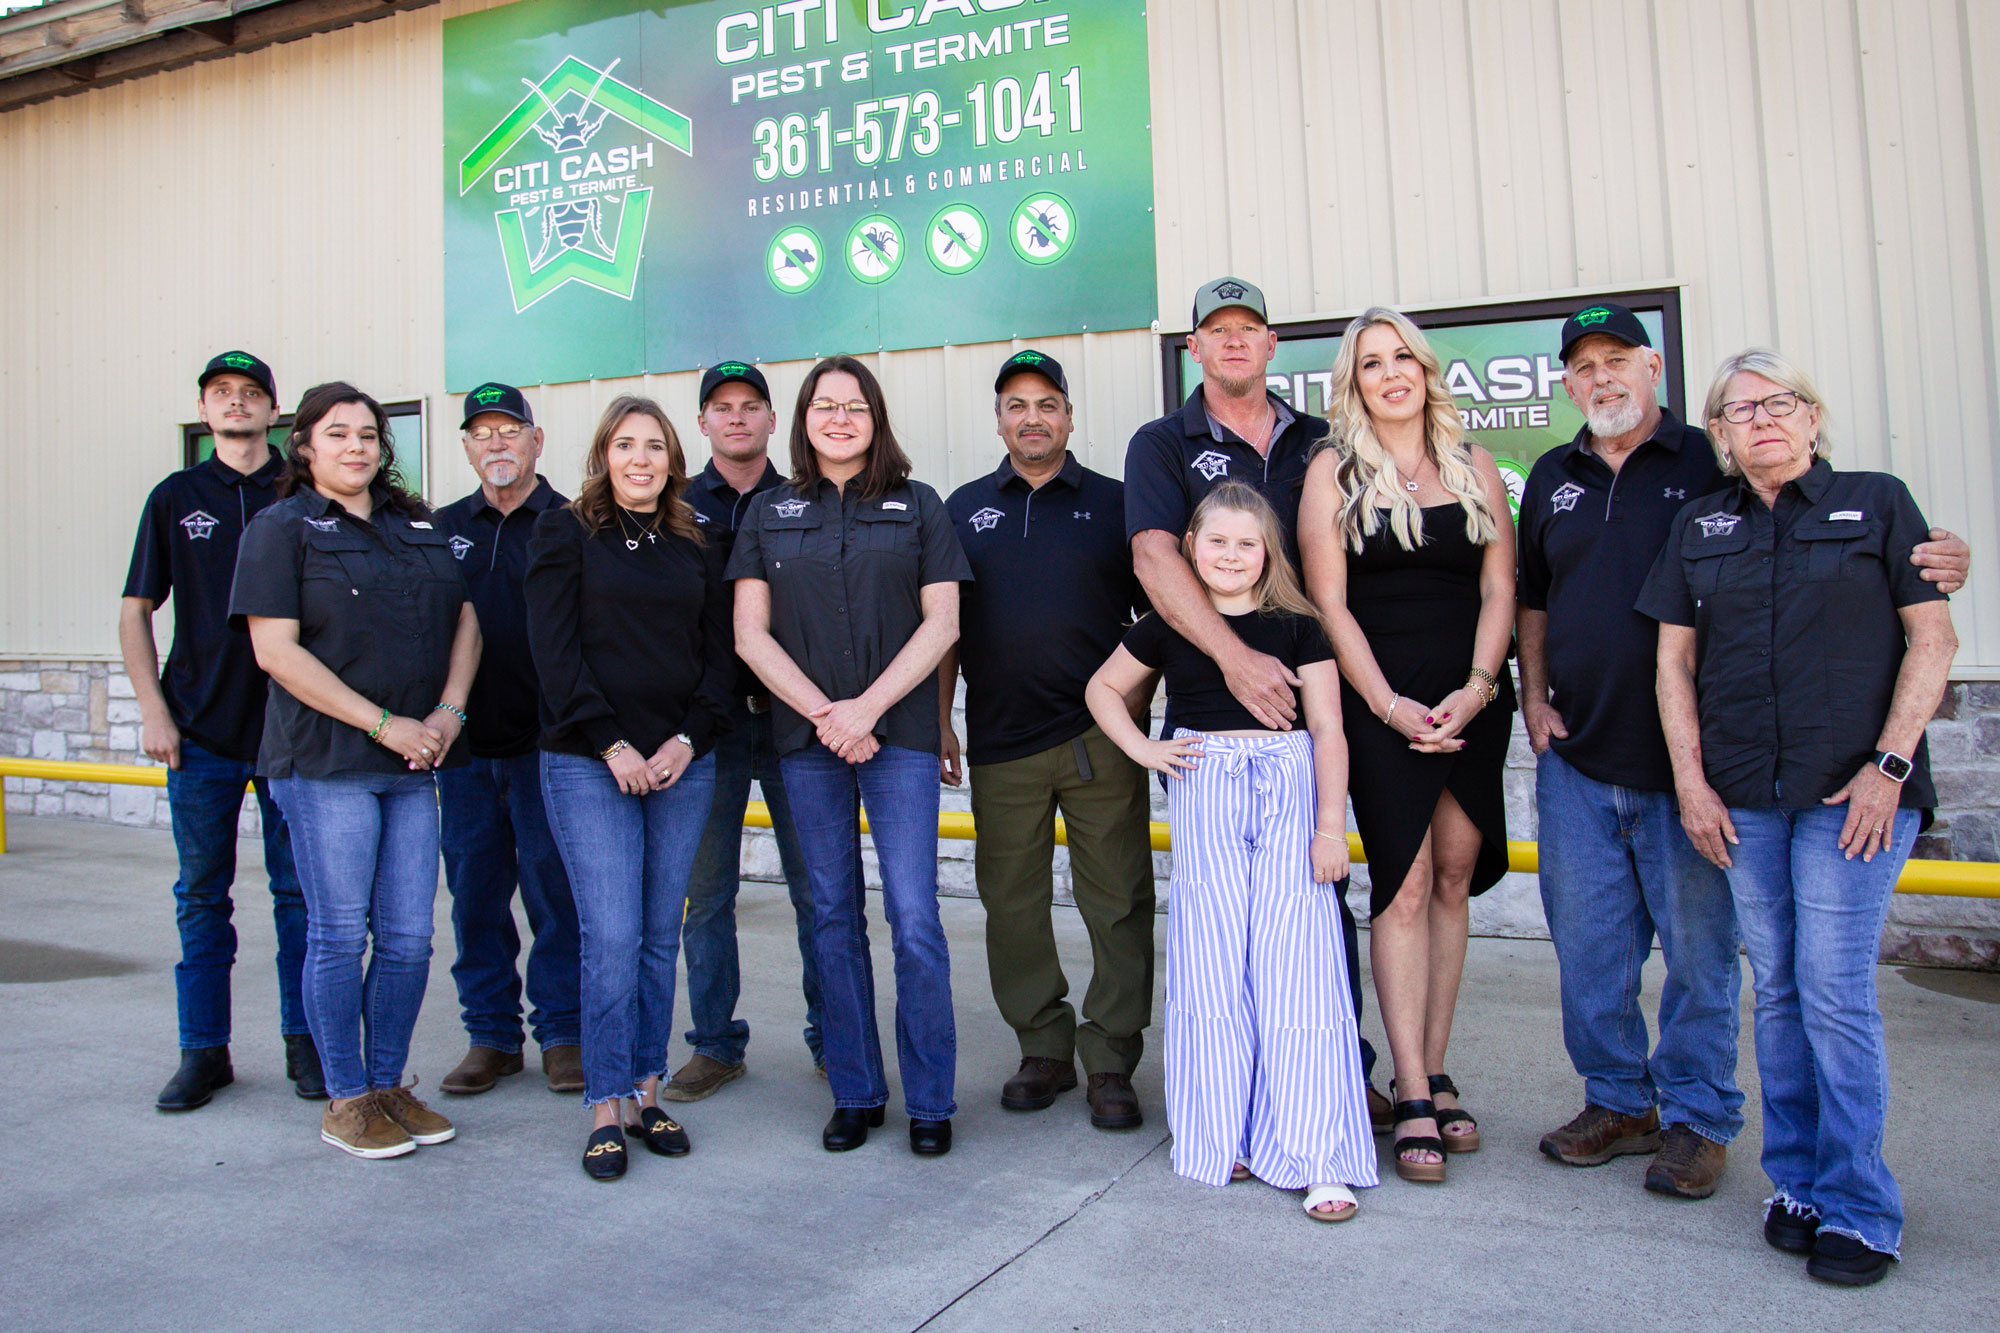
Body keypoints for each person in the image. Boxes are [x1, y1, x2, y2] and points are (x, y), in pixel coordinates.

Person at [1518, 304, 1969, 1198]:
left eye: (1619, 360)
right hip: (1583, 751)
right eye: (1584, 366)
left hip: (1708, 770)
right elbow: (1534, 596)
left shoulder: (1709, 460)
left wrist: (1946, 557)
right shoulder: (1552, 475)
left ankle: (1698, 1116)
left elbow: (1886, 594)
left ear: (1654, 369)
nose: (1602, 378)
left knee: (1703, 954)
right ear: (1567, 383)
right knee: (1590, 947)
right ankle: (1616, 1099)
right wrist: (1532, 696)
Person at [1639, 349, 1957, 1288]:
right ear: (1724, 437)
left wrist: (1888, 767)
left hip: (1854, 796)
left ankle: (1862, 1205)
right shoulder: (1701, 525)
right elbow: (1673, 666)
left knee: (1833, 988)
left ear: (1812, 417)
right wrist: (1691, 784)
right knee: (1775, 987)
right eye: (1739, 412)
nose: (1762, 420)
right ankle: (1800, 1185)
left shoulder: (1879, 501)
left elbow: (1931, 638)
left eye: (1779, 404)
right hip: (1743, 798)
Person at [1124, 276, 1382, 1121]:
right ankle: (1231, 1096)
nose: (1233, 341)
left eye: (1250, 328)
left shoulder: (1324, 440)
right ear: (1193, 347)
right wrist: (1234, 657)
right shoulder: (1162, 442)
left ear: (1273, 345)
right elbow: (1157, 561)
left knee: (1312, 905)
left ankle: (1332, 1075)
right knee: (1221, 923)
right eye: (1216, 330)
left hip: (1319, 695)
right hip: (1214, 717)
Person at [1086, 482, 1376, 1223]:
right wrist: (1145, 750)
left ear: (1267, 552)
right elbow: (1102, 690)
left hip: (1289, 792)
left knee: (1297, 968)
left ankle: (1316, 1153)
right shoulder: (1168, 623)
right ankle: (1227, 1133)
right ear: (1192, 547)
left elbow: (1330, 729)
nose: (1232, 555)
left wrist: (1329, 826)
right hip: (1204, 785)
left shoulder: (1299, 625)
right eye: (1217, 541)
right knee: (1214, 965)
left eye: (1248, 543)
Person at [230, 382, 480, 1159]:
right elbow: (275, 651)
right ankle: (345, 1096)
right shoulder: (282, 529)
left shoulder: (416, 524)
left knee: (408, 937)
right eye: (337, 434)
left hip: (413, 761)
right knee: (340, 934)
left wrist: (448, 713)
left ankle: (388, 1084)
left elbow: (466, 619)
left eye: (369, 434)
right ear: (304, 445)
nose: (356, 447)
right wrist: (383, 722)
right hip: (327, 762)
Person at [728, 355, 971, 1156]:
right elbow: (749, 634)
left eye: (854, 406)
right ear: (801, 420)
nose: (839, 418)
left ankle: (931, 1099)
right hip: (807, 744)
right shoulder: (767, 512)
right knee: (831, 915)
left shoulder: (920, 506)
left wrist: (867, 709)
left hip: (896, 739)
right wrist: (827, 715)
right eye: (824, 406)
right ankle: (857, 1089)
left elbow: (942, 624)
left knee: (913, 919)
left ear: (877, 417)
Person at [1297, 307, 1515, 1185]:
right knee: (1408, 878)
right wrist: (1386, 706)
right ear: (1353, 382)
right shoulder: (1332, 471)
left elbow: (1500, 585)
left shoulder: (1479, 468)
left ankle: (1430, 1060)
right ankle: (1414, 1094)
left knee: (1457, 871)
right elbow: (1329, 604)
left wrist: (1477, 685)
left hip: (1468, 697)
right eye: (1371, 362)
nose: (1391, 373)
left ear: (1426, 370)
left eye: (1403, 358)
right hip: (1380, 701)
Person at [939, 349, 1156, 1129]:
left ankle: (1110, 1057)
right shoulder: (963, 508)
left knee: (1119, 900)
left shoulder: (1117, 503)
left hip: (1099, 740)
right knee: (1012, 904)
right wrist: (941, 719)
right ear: (998, 419)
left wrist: (1132, 714)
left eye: (1047, 403)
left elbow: (1157, 620)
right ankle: (1042, 1046)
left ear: (1070, 415)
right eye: (1016, 405)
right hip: (1001, 742)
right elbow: (945, 629)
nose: (1032, 417)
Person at [526, 395, 734, 1181]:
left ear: (674, 459)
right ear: (603, 455)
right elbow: (554, 651)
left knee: (655, 935)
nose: (640, 459)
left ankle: (648, 1090)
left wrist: (688, 738)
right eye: (625, 445)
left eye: (655, 446)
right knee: (609, 936)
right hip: (589, 762)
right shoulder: (565, 531)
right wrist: (610, 741)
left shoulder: (697, 539)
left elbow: (721, 660)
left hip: (682, 762)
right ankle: (605, 1103)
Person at [120, 350, 321, 1110]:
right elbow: (135, 610)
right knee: (202, 896)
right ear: (203, 411)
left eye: (251, 393)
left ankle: (307, 1047)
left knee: (299, 896)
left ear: (275, 412)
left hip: (292, 733)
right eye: (221, 393)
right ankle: (203, 1051)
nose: (236, 403)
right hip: (200, 731)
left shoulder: (302, 493)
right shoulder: (175, 497)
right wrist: (153, 710)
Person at [669, 361, 826, 1101]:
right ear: (702, 423)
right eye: (721, 408)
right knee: (707, 895)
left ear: (772, 420)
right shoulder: (671, 506)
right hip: (709, 730)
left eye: (750, 407)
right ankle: (715, 1044)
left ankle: (834, 1035)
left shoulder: (805, 500)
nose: (736, 419)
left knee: (817, 888)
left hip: (798, 723)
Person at [432, 383, 583, 1098]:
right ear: (466, 446)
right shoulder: (439, 530)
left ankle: (562, 1033)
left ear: (537, 440)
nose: (496, 443)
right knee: (475, 893)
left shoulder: (573, 520)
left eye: (509, 430)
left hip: (549, 746)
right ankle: (491, 1036)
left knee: (555, 893)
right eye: (481, 432)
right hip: (462, 748)